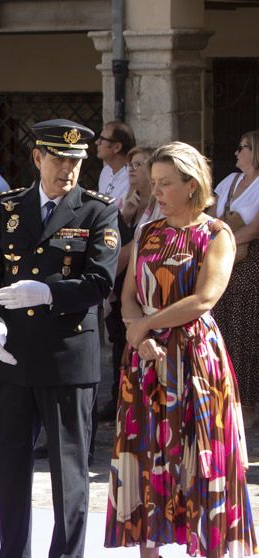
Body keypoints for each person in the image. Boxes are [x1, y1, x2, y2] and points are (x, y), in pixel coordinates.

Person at [0, 119, 119, 558]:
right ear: (38, 159)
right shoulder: (9, 208)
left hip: (65, 356)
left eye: (77, 163)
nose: (68, 171)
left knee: (68, 471)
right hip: (11, 357)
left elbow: (100, 281)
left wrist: (48, 292)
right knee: (9, 469)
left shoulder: (97, 212)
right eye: (59, 161)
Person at [105, 141, 257, 558]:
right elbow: (128, 293)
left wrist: (146, 325)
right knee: (146, 460)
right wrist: (136, 329)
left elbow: (205, 299)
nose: (158, 191)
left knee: (204, 460)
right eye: (155, 183)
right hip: (146, 362)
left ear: (193, 184)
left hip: (196, 360)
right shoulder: (148, 232)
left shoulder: (217, 233)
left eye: (166, 183)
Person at [100, 145, 159, 423]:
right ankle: (120, 398)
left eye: (138, 164)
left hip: (149, 283)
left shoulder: (160, 205)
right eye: (130, 165)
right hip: (128, 280)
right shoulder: (129, 201)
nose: (132, 169)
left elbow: (134, 247)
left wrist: (106, 285)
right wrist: (127, 215)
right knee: (120, 343)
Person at [210, 130, 259, 428]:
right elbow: (212, 216)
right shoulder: (228, 181)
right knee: (223, 325)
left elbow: (254, 229)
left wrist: (225, 243)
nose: (237, 153)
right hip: (223, 258)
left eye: (242, 148)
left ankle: (248, 403)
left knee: (245, 329)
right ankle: (224, 396)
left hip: (248, 263)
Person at [95, 120, 135, 202]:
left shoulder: (133, 177)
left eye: (102, 139)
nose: (97, 142)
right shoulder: (105, 171)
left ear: (117, 147)